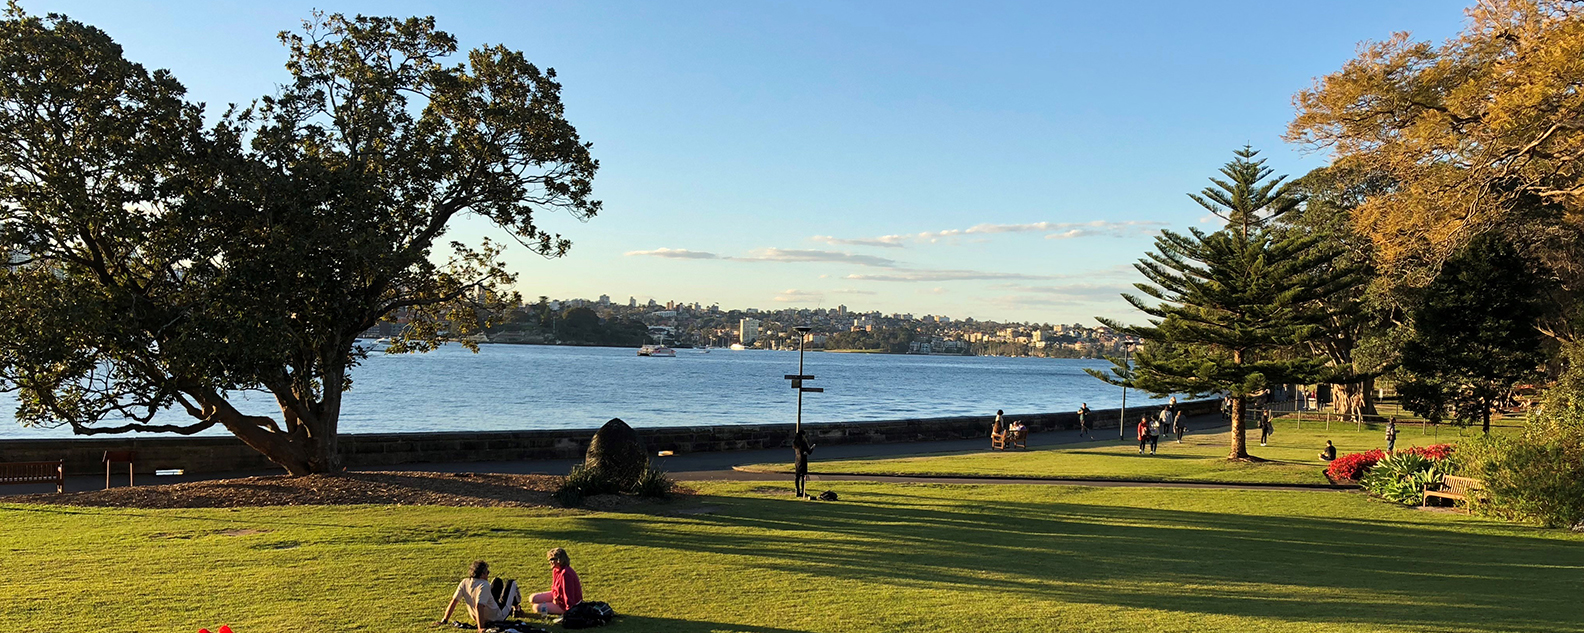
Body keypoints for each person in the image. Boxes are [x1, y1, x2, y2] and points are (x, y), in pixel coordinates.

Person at [436, 560, 521, 631]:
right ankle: (517, 609)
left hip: (476, 617)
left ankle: (516, 609)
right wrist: (481, 628)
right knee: (511, 583)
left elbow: (454, 601)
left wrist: (444, 620)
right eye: (487, 572)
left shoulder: (464, 582)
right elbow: (479, 606)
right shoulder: (484, 585)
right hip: (496, 617)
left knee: (497, 581)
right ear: (482, 574)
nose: (488, 575)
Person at [527, 548, 583, 616]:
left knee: (536, 607)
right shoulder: (556, 570)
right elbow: (554, 587)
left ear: (559, 560)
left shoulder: (566, 573)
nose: (549, 562)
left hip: (567, 604)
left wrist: (569, 610)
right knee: (532, 598)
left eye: (551, 559)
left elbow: (568, 594)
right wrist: (555, 597)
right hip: (558, 597)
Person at [792, 429, 814, 498]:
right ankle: (803, 491)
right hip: (803, 460)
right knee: (803, 476)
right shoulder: (803, 443)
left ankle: (797, 491)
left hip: (797, 460)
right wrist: (813, 447)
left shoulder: (795, 443)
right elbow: (809, 452)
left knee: (797, 476)